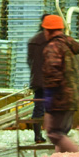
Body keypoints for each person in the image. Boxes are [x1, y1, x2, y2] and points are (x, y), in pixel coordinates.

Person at [39, 14, 79, 153]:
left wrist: (50, 96)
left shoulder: (53, 46)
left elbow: (52, 72)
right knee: (62, 133)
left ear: (48, 30)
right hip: (72, 97)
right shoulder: (69, 46)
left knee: (54, 133)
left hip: (60, 98)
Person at [26, 14, 51, 144]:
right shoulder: (51, 41)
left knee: (38, 108)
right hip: (50, 81)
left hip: (37, 81)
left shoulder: (33, 40)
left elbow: (29, 61)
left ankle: (37, 135)